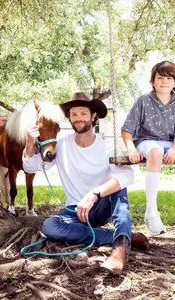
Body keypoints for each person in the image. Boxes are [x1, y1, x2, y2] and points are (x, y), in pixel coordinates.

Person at [22, 92, 149, 275]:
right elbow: (32, 167)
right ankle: (122, 236)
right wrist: (29, 143)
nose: (78, 118)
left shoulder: (106, 147)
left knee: (119, 185)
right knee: (50, 226)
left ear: (93, 116)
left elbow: (128, 175)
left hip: (100, 206)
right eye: (73, 114)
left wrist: (94, 194)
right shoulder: (62, 145)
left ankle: (120, 248)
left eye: (83, 113)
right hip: (75, 211)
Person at [121, 61, 175, 235]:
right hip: (147, 141)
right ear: (153, 81)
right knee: (156, 152)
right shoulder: (144, 100)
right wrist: (131, 148)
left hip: (170, 143)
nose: (164, 81)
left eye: (169, 78)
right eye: (160, 78)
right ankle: (151, 211)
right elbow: (127, 129)